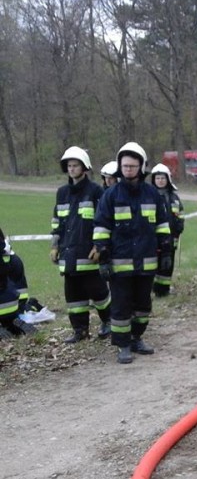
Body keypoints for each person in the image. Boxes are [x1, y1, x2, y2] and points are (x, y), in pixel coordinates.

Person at [93, 142, 172, 364]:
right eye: (125, 166)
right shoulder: (110, 195)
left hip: (146, 263)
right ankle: (123, 344)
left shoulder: (152, 195)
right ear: (120, 167)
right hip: (119, 265)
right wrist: (103, 257)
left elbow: (162, 225)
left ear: (141, 167)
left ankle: (137, 337)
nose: (128, 169)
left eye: (132, 166)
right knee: (121, 306)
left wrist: (166, 250)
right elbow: (101, 228)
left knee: (143, 305)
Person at [50, 146, 112, 343]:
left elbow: (103, 220)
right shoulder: (62, 193)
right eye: (69, 166)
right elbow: (57, 222)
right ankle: (80, 330)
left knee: (98, 292)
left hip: (89, 252)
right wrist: (54, 245)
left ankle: (109, 321)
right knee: (73, 296)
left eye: (75, 165)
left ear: (84, 168)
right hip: (68, 253)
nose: (71, 169)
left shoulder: (96, 191)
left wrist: (98, 246)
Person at [150, 163, 185, 297]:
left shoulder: (174, 198)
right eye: (157, 178)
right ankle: (152, 288)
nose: (160, 181)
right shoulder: (149, 196)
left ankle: (163, 290)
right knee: (154, 263)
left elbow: (180, 213)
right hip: (153, 238)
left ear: (168, 179)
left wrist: (179, 226)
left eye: (163, 178)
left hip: (171, 238)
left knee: (167, 264)